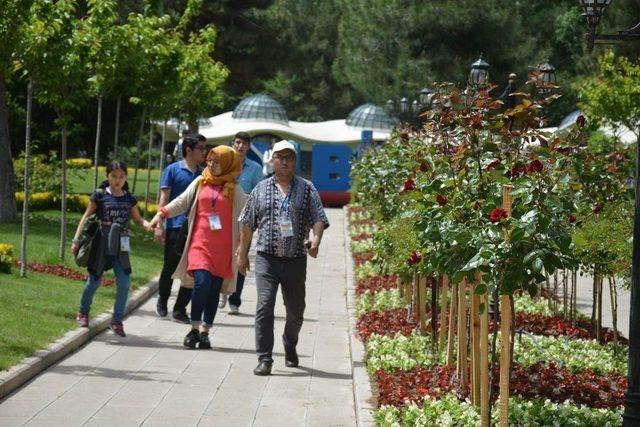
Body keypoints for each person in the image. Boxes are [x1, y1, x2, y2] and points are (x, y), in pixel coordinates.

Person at [237, 140, 330, 375]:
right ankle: (265, 358)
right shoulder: (260, 189)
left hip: (296, 259)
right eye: (281, 157)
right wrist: (241, 254)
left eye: (289, 157)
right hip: (267, 259)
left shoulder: (307, 188)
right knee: (264, 306)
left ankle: (290, 342)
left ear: (295, 161)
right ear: (273, 160)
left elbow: (318, 217)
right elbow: (247, 223)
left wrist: (316, 239)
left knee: (296, 310)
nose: (285, 161)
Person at [148, 146, 247, 349]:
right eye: (210, 160)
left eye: (216, 161)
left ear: (228, 163)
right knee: (201, 283)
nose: (211, 164)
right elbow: (182, 201)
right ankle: (193, 329)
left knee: (213, 290)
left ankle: (205, 332)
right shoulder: (201, 181)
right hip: (199, 244)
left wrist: (242, 248)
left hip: (223, 249)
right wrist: (161, 214)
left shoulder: (235, 190)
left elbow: (246, 219)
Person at [72, 161, 150, 337]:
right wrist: (76, 240)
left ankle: (116, 320)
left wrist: (149, 225)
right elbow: (86, 217)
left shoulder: (129, 198)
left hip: (121, 246)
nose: (117, 180)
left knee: (124, 282)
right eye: (114, 176)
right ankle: (83, 312)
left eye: (121, 176)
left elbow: (138, 220)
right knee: (94, 281)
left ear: (126, 177)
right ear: (107, 176)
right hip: (101, 243)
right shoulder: (99, 195)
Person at [155, 134, 207, 323]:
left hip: (197, 229)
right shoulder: (172, 170)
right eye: (200, 148)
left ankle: (179, 309)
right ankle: (162, 300)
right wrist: (159, 224)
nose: (204, 151)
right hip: (176, 227)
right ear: (188, 150)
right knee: (170, 267)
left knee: (192, 269)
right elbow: (164, 199)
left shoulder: (204, 174)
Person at [218, 131, 263, 314]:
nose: (240, 146)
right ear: (232, 143)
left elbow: (258, 193)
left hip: (245, 220)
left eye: (244, 143)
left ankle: (235, 298)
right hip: (223, 218)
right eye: (237, 142)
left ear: (248, 146)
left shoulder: (255, 168)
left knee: (240, 257)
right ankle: (222, 290)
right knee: (222, 257)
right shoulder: (223, 164)